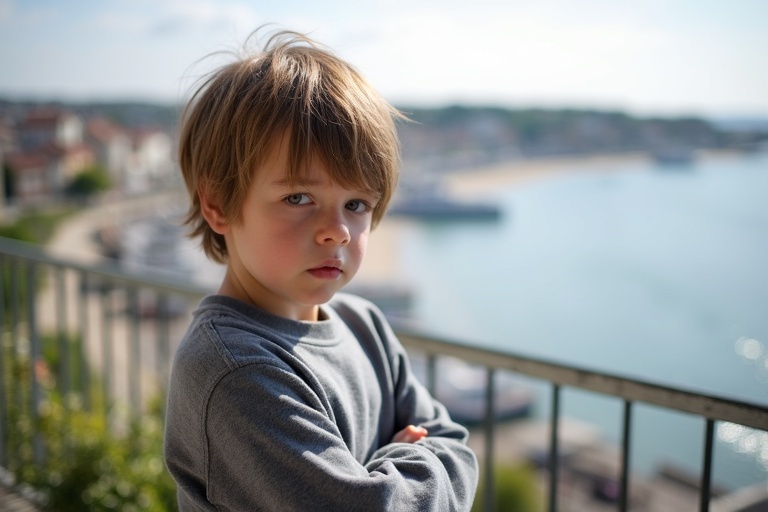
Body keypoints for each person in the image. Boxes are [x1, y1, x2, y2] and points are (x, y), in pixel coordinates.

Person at [163, 28, 478, 511]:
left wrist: (389, 475)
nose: (338, 231)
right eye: (298, 198)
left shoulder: (363, 324)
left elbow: (455, 442)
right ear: (218, 203)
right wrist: (403, 455)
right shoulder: (236, 371)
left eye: (356, 204)